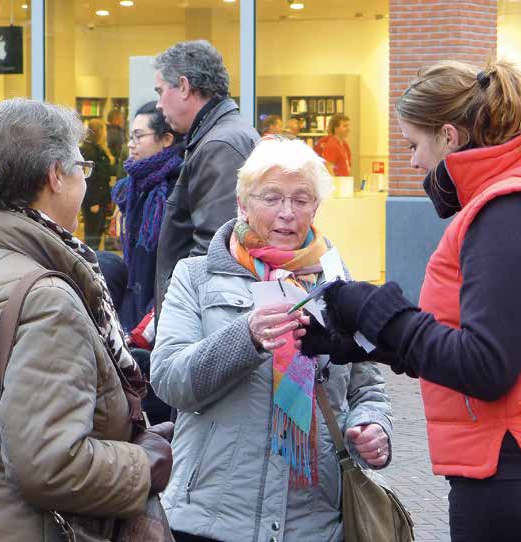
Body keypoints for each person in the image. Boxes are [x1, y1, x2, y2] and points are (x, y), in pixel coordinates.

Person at [303, 60, 521, 541]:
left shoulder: (511, 210)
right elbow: (500, 337)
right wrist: (352, 341)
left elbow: (485, 366)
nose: (413, 163)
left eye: (414, 145)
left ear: (450, 138)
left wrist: (379, 314)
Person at [0, 98, 174, 540]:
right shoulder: (46, 298)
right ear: (55, 176)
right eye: (82, 168)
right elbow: (51, 464)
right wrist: (145, 464)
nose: (85, 181)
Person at [150, 137, 393, 542]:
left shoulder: (337, 283)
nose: (287, 213)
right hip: (213, 518)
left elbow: (366, 388)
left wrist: (373, 426)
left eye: (301, 199)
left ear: (316, 208)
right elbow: (171, 381)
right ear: (243, 204)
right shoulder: (195, 276)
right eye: (272, 198)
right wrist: (245, 337)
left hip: (312, 523)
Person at [152, 40, 259, 319]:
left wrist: (179, 313)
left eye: (161, 91)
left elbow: (214, 248)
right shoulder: (220, 137)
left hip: (205, 317)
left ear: (184, 86)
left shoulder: (219, 144)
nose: (159, 104)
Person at [111, 100, 185, 332]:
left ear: (166, 139)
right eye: (130, 137)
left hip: (161, 310)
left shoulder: (177, 187)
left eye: (138, 136)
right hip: (136, 302)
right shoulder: (134, 187)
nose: (131, 145)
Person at [80, 118, 116, 249]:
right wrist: (93, 201)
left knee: (97, 233)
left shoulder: (97, 150)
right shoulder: (90, 151)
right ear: (99, 132)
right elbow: (90, 179)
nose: (106, 134)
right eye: (104, 130)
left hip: (100, 200)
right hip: (94, 201)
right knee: (92, 235)